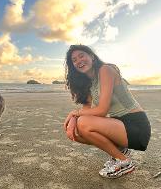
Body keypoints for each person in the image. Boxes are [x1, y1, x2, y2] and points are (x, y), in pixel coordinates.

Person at [63, 45, 151, 178]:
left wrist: (73, 114)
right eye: (74, 60)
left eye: (82, 55)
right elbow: (87, 110)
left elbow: (102, 110)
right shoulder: (89, 83)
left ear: (92, 56)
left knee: (83, 123)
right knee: (78, 130)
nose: (78, 61)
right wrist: (74, 119)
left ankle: (123, 161)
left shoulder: (105, 70)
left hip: (136, 125)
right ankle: (121, 151)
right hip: (119, 125)